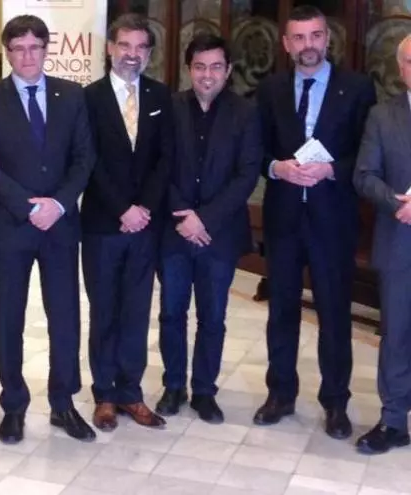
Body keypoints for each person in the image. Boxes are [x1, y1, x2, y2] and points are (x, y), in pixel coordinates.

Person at [0, 14, 96, 444]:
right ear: (8, 53)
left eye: (35, 47)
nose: (28, 56)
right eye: (19, 48)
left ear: (47, 49)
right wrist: (29, 208)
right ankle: (14, 405)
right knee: (9, 319)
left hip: (59, 226)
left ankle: (63, 403)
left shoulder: (72, 96)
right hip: (9, 227)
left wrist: (58, 204)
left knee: (65, 317)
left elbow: (84, 158)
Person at [254, 5, 376, 439]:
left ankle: (336, 402)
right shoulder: (269, 89)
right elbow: (255, 150)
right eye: (299, 37)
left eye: (316, 36)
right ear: (286, 44)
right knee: (282, 309)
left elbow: (367, 152)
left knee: (334, 313)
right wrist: (277, 168)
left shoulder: (357, 87)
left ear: (327, 38)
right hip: (284, 218)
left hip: (333, 220)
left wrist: (331, 170)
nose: (309, 45)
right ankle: (280, 394)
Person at [154, 34, 262, 423]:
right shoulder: (170, 107)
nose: (207, 74)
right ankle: (173, 386)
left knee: (212, 316)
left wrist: (206, 218)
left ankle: (204, 391)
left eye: (216, 67)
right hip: (174, 231)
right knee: (171, 313)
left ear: (228, 70)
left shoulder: (246, 113)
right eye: (199, 66)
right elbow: (159, 165)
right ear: (189, 69)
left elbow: (247, 173)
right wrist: (183, 215)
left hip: (220, 234)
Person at [80, 14, 173, 431]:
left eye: (140, 47)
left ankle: (131, 393)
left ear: (149, 53)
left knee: (136, 311)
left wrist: (144, 208)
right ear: (109, 48)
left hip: (145, 226)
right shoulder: (88, 98)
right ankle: (104, 394)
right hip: (103, 224)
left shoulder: (161, 96)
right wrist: (123, 209)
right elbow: (89, 160)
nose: (132, 54)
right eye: (125, 45)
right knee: (104, 311)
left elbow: (166, 159)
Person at [353, 34, 411, 455]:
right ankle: (393, 420)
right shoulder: (382, 116)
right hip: (399, 241)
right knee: (396, 335)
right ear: (401, 67)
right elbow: (364, 175)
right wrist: (397, 203)